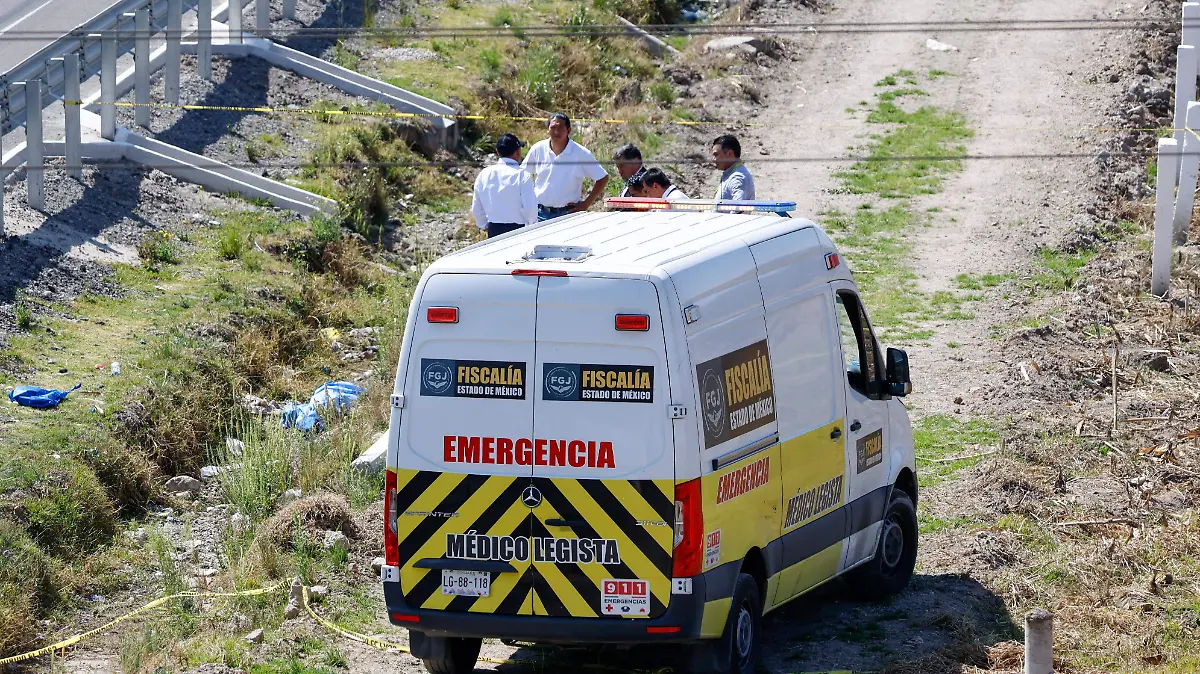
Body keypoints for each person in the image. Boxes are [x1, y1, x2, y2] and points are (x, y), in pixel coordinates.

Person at [522, 113, 610, 221]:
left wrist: (586, 204)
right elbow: (523, 174)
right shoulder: (538, 149)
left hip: (567, 214)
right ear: (547, 129)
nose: (556, 132)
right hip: (539, 213)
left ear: (568, 130)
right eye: (553, 128)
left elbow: (602, 177)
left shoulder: (580, 153)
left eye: (560, 128)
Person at [470, 133, 536, 238]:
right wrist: (530, 226)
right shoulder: (522, 175)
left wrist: (484, 225)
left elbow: (477, 208)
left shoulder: (484, 174)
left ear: (497, 152)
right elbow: (530, 209)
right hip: (518, 230)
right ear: (518, 152)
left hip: (494, 229)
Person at [711, 134, 755, 201]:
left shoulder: (737, 178)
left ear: (729, 154)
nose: (714, 159)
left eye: (716, 155)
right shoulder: (733, 174)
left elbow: (739, 209)